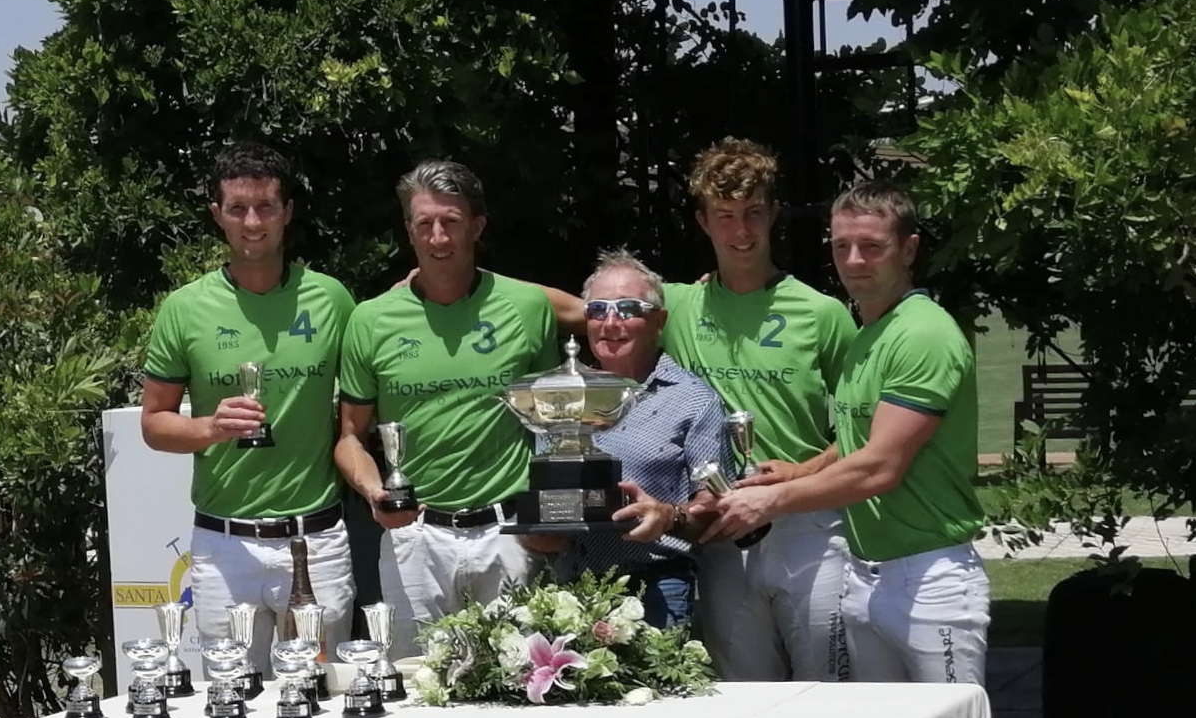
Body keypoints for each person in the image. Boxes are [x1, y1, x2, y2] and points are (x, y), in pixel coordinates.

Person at [694, 179, 1018, 718]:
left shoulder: (923, 332)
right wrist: (795, 469)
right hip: (870, 573)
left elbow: (880, 466)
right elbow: (850, 446)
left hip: (931, 576)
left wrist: (771, 502)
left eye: (871, 245)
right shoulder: (868, 333)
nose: (853, 259)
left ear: (908, 248)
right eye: (841, 245)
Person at [140, 141, 356, 671]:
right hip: (224, 545)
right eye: (237, 208)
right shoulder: (184, 308)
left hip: (316, 539)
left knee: (323, 696)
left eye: (265, 207)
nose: (253, 223)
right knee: (230, 700)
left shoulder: (331, 299)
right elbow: (154, 424)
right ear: (217, 215)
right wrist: (211, 428)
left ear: (287, 211)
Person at [335, 159, 558, 659]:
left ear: (477, 226)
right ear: (408, 230)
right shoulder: (370, 320)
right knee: (415, 683)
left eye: (451, 222)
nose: (438, 238)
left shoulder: (527, 307)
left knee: (521, 681)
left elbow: (553, 425)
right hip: (415, 536)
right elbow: (350, 437)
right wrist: (375, 492)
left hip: (509, 532)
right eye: (425, 223)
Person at [660, 138, 858, 681]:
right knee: (743, 696)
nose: (741, 230)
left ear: (772, 214)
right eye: (725, 215)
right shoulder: (676, 307)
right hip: (723, 530)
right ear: (703, 221)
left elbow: (863, 430)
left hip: (807, 522)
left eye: (752, 212)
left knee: (829, 691)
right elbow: (588, 309)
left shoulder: (823, 313)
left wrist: (802, 471)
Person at [525, 250, 732, 627]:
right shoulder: (560, 399)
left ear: (658, 321)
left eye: (627, 309)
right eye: (598, 310)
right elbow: (547, 500)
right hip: (570, 591)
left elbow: (717, 506)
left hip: (656, 591)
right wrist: (538, 531)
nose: (610, 322)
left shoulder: (694, 401)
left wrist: (669, 516)